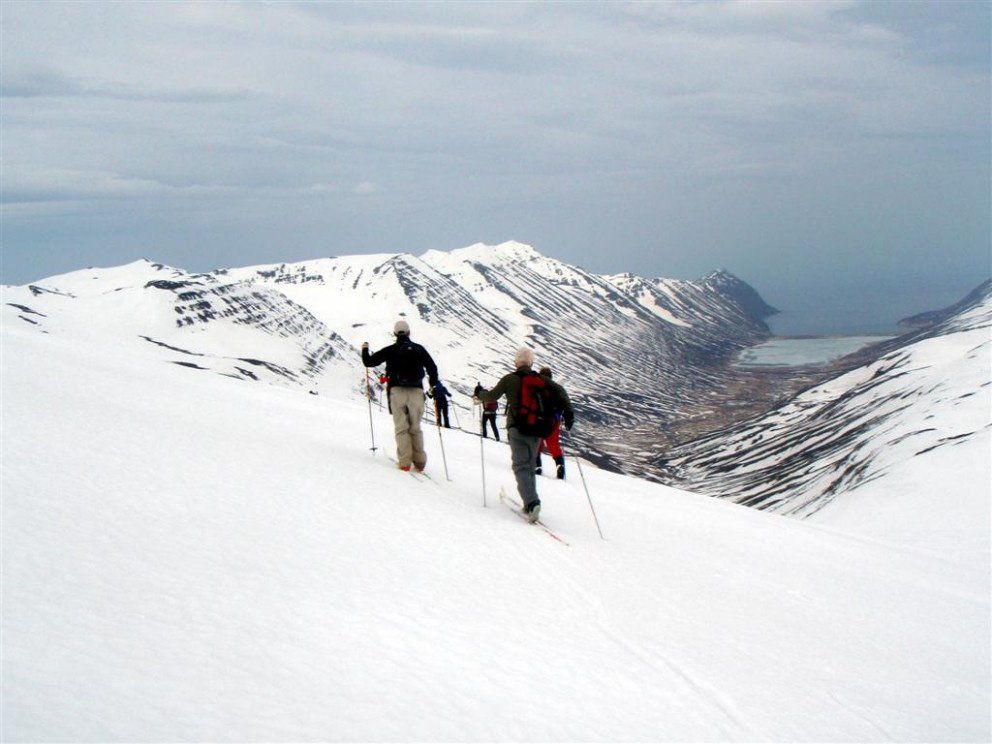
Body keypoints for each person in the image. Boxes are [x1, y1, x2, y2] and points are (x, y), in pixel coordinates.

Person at [474, 347, 574, 523]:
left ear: (516, 362)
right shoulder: (541, 380)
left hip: (517, 429)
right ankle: (530, 502)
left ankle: (532, 502)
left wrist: (479, 392)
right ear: (531, 362)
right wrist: (569, 413)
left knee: (520, 467)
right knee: (529, 466)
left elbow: (491, 396)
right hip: (537, 431)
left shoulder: (509, 379)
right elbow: (561, 392)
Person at [362, 320, 440, 472]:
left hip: (397, 392)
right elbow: (432, 368)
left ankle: (405, 462)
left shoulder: (391, 350)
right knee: (415, 428)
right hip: (417, 392)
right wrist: (433, 386)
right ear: (409, 332)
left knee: (401, 428)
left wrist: (365, 349)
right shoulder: (419, 349)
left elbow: (369, 362)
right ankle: (420, 462)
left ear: (395, 334)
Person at [535, 366, 567, 480]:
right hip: (554, 421)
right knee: (553, 445)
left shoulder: (537, 388)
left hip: (539, 420)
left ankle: (537, 466)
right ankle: (560, 465)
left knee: (537, 444)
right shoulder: (556, 389)